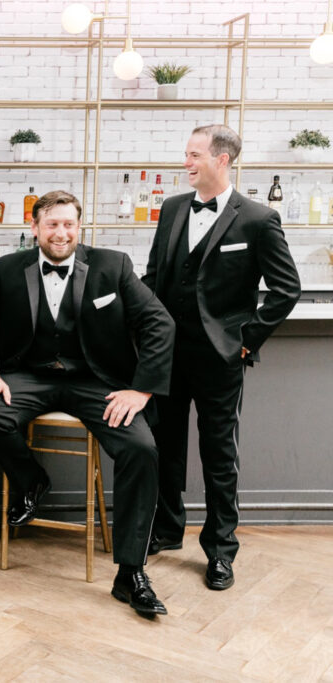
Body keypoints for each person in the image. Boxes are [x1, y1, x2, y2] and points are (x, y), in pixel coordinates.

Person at [0, 190, 175, 618]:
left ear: (80, 227)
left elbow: (159, 322)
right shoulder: (5, 269)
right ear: (35, 228)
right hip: (30, 374)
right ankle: (31, 480)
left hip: (94, 380)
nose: (61, 233)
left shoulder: (112, 266)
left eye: (68, 224)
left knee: (141, 449)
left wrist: (141, 389)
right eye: (52, 224)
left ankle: (131, 573)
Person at [143, 124, 300, 590]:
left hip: (220, 357)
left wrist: (245, 340)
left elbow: (285, 289)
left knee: (219, 455)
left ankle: (220, 551)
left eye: (194, 155)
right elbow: (155, 277)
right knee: (165, 448)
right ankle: (167, 530)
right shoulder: (172, 209)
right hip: (169, 354)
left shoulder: (257, 218)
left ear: (222, 159)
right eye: (186, 154)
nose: (186, 163)